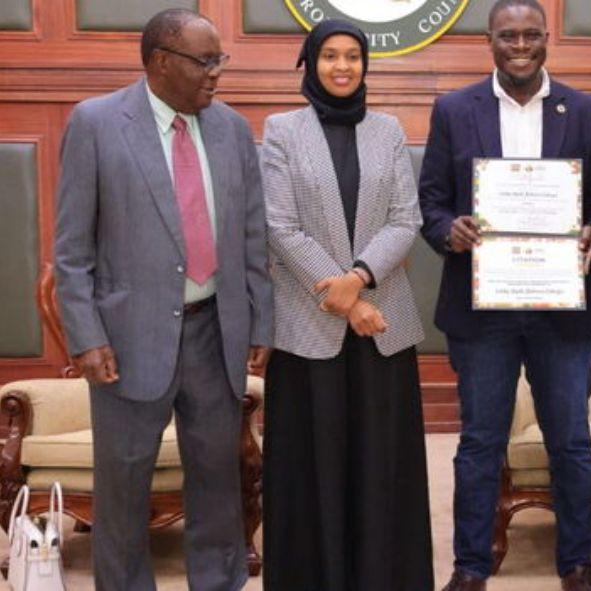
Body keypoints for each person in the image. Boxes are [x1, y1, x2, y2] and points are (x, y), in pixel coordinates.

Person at [53, 9, 272, 590]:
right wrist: (87, 337)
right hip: (125, 340)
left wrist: (260, 322)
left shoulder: (230, 128)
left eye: (218, 60)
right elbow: (71, 250)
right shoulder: (96, 123)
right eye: (205, 62)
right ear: (159, 62)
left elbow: (253, 235)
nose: (216, 74)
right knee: (122, 489)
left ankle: (219, 583)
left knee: (217, 483)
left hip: (214, 331)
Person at [419, 1, 591, 589]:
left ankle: (577, 565)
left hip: (562, 308)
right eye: (508, 35)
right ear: (490, 41)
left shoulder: (584, 111)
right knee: (480, 443)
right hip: (483, 311)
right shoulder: (455, 110)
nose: (520, 44)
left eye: (531, 34)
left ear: (547, 38)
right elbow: (430, 201)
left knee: (571, 442)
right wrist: (447, 230)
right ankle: (471, 568)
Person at [260, 19, 433, 591]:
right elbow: (280, 228)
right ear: (309, 63)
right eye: (329, 55)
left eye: (352, 57)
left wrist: (357, 279)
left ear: (365, 65)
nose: (341, 66)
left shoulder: (387, 130)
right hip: (310, 328)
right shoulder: (282, 130)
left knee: (381, 466)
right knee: (316, 468)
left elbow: (406, 219)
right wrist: (344, 299)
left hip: (383, 324)